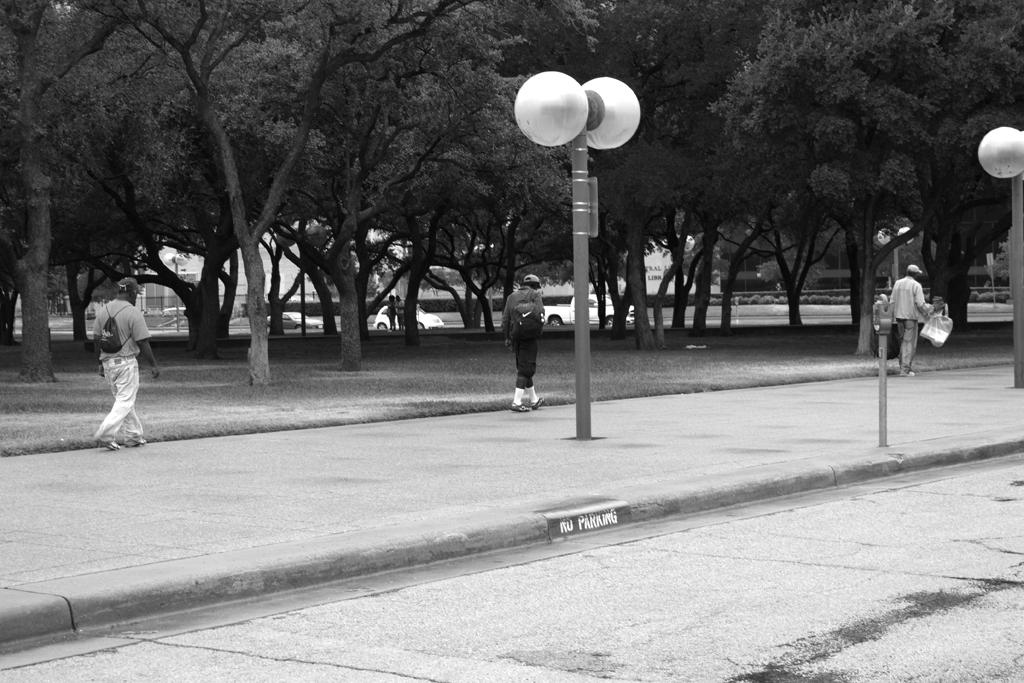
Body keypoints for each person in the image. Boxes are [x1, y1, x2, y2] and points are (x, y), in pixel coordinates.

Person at [93, 278, 160, 450]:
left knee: (124, 401)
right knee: (124, 401)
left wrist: (100, 362)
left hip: (108, 363)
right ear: (132, 293)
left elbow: (96, 339)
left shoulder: (103, 310)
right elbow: (143, 341)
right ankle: (105, 434)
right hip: (126, 363)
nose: (136, 296)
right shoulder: (132, 312)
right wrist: (153, 364)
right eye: (136, 293)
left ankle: (133, 436)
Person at [502, 274, 546, 412]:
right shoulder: (535, 295)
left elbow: (505, 319)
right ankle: (516, 402)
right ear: (535, 286)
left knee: (523, 366)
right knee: (525, 370)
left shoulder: (511, 297)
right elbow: (541, 312)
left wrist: (507, 338)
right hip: (530, 336)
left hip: (516, 336)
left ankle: (534, 400)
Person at [890, 264, 934, 377]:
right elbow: (920, 304)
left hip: (899, 317)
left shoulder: (897, 283)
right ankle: (905, 369)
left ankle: (903, 367)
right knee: (909, 344)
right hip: (910, 318)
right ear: (915, 274)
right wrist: (929, 310)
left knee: (903, 342)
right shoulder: (916, 285)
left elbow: (892, 301)